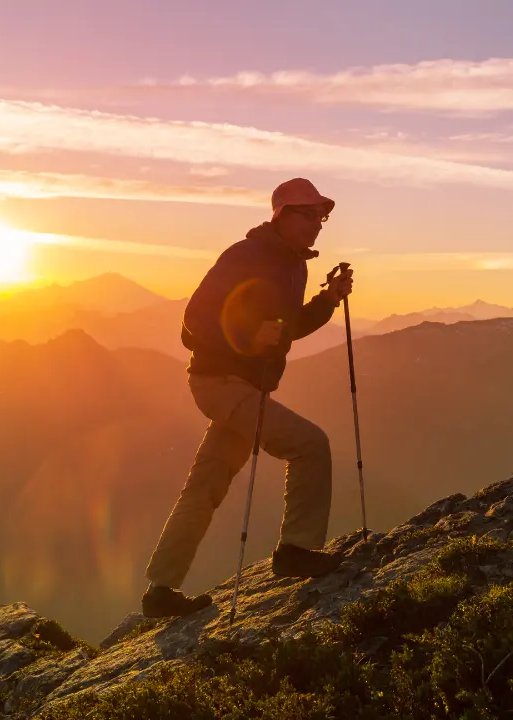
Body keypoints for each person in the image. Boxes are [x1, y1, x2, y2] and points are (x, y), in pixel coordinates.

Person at [141, 177, 354, 619]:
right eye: (309, 214)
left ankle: (160, 592)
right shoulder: (246, 255)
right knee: (310, 444)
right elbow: (196, 315)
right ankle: (296, 550)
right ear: (281, 215)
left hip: (241, 386)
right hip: (219, 382)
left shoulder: (295, 265)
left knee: (205, 486)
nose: (318, 224)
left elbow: (288, 328)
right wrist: (246, 335)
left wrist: (329, 300)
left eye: (322, 216)